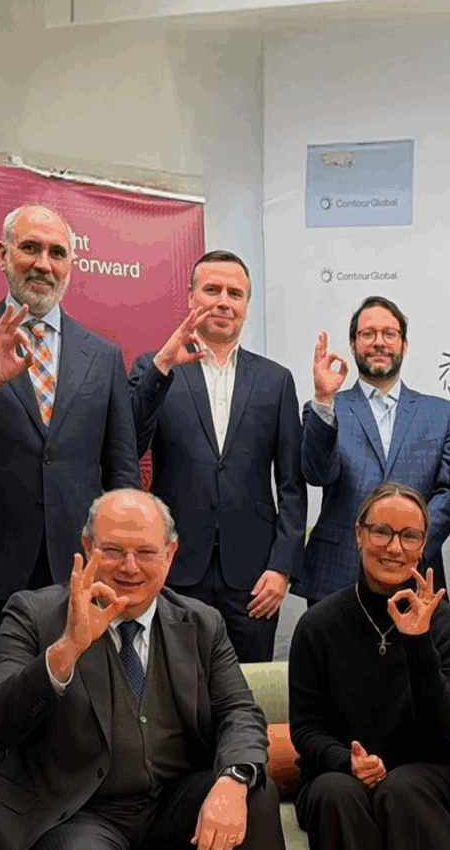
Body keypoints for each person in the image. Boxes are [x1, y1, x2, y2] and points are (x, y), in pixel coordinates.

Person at [0, 204, 142, 804]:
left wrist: (121, 566)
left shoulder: (104, 355)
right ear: (3, 255)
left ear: (72, 265)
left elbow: (122, 472)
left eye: (57, 252)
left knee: (71, 733)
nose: (43, 263)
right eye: (30, 248)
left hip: (75, 583)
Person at [0, 489, 285, 850]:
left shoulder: (202, 623)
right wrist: (66, 649)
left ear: (170, 553)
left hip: (171, 802)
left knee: (254, 796)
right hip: (74, 812)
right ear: (87, 546)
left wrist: (234, 779)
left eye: (146, 552)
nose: (130, 567)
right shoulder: (33, 614)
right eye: (113, 551)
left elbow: (239, 712)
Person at [131, 250, 306, 663]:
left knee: (247, 688)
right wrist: (161, 367)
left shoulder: (276, 381)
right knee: (175, 684)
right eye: (212, 290)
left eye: (235, 293)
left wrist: (282, 568)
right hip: (174, 569)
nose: (224, 302)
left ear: (246, 305)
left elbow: (292, 485)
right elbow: (129, 443)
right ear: (191, 297)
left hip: (254, 578)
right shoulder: (157, 367)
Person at [288, 482, 450, 850]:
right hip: (336, 774)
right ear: (360, 534)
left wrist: (418, 641)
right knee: (336, 792)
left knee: (401, 789)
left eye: (409, 536)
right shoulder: (317, 625)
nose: (394, 548)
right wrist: (346, 761)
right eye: (381, 531)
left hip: (431, 773)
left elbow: (440, 725)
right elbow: (306, 728)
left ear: (423, 545)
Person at [301, 296, 450, 600]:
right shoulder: (326, 408)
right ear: (353, 345)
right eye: (368, 334)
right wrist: (323, 399)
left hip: (416, 573)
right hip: (337, 573)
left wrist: (412, 543)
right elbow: (317, 474)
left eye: (389, 334)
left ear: (404, 345)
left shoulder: (442, 414)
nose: (379, 342)